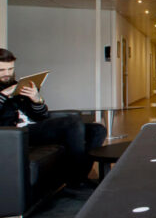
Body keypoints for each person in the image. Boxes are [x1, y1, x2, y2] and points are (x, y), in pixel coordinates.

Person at [0, 48, 93, 187]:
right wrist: (3, 94)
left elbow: (42, 115)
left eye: (10, 69)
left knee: (96, 130)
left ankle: (80, 176)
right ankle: (77, 182)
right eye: (2, 70)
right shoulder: (6, 90)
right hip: (17, 133)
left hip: (35, 127)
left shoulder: (17, 86)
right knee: (72, 121)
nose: (7, 73)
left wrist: (36, 100)